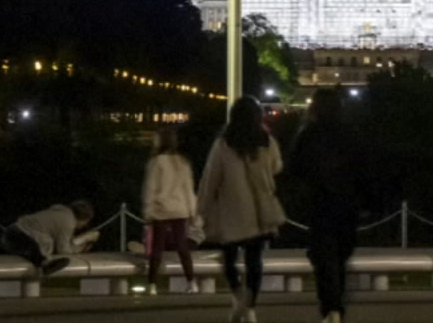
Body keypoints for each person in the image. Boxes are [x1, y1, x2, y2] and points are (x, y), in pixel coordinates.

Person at [197, 96, 286, 323]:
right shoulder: (266, 140)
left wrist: (202, 209)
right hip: (259, 211)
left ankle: (239, 298)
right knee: (254, 260)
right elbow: (277, 167)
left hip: (231, 210)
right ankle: (250, 306)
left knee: (229, 258)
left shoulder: (224, 143)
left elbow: (211, 178)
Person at [288, 88, 368, 323]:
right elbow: (363, 169)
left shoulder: (308, 134)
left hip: (319, 202)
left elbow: (294, 168)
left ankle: (330, 307)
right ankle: (336, 305)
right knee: (340, 257)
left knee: (324, 258)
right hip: (346, 203)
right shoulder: (351, 133)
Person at [142, 126, 199, 295]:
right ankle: (191, 282)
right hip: (180, 209)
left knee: (157, 247)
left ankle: (152, 284)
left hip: (161, 209)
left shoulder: (156, 162)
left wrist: (148, 211)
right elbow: (189, 189)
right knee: (182, 247)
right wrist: (192, 212)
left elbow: (150, 189)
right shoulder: (183, 162)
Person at [2, 200, 96, 276]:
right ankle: (46, 265)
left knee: (33, 250)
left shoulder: (60, 212)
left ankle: (45, 263)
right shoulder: (68, 222)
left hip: (13, 231)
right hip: (22, 236)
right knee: (35, 251)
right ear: (84, 219)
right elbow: (63, 250)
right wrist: (81, 248)